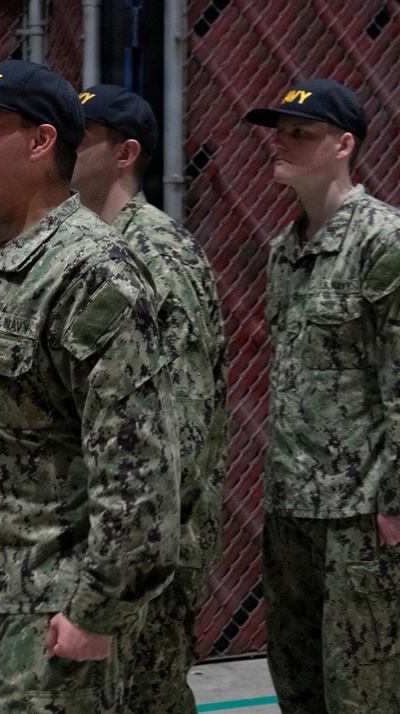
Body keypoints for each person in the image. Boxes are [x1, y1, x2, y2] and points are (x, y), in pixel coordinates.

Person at [0, 60, 180, 712]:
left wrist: (98, 607)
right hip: (3, 582)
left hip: (60, 594)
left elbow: (137, 463)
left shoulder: (93, 270)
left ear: (41, 143)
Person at [72, 84, 229, 713]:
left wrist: (142, 547)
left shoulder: (156, 253)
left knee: (146, 697)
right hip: (103, 530)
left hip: (151, 540)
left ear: (124, 153)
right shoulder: (83, 247)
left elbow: (186, 420)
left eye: (79, 139)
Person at [245, 78, 400, 713]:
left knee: (365, 689)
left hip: (362, 512)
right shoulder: (286, 250)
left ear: (344, 144)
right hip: (292, 507)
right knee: (297, 677)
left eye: (299, 133)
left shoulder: (382, 241)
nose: (279, 143)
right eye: (277, 131)